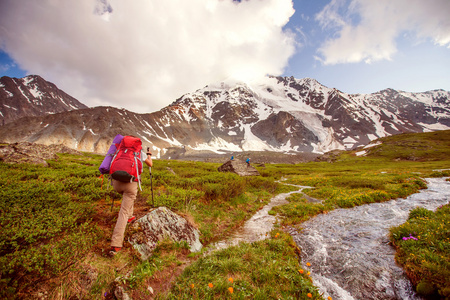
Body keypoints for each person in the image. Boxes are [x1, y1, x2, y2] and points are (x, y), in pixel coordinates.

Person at [109, 145, 153, 256]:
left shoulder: (120, 151)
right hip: (130, 184)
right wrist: (149, 155)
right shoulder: (138, 152)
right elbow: (150, 164)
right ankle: (116, 244)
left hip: (116, 183)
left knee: (128, 199)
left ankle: (130, 216)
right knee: (124, 209)